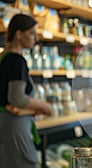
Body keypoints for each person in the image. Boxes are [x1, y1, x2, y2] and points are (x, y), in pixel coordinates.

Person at [0, 14, 52, 168]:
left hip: (5, 123)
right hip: (14, 125)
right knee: (25, 163)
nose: (35, 38)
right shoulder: (16, 60)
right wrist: (43, 106)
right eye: (32, 33)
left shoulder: (3, 57)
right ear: (18, 34)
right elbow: (17, 98)